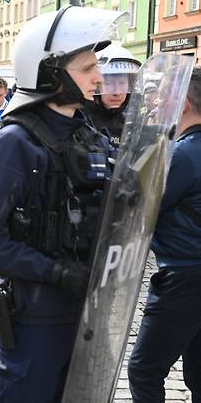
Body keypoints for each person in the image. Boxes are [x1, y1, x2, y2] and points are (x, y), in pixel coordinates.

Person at [0, 6, 121, 402]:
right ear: (50, 73)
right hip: (38, 316)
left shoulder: (90, 136)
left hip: (88, 311)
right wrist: (54, 272)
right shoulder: (16, 143)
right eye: (87, 68)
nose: (98, 77)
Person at [128, 67, 201, 403]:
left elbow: (138, 204)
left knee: (144, 371)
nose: (157, 101)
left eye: (164, 94)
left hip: (184, 277)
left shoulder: (183, 154)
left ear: (183, 103)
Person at [84, 44, 141, 146]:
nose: (117, 92)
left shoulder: (130, 125)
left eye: (122, 83)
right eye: (108, 83)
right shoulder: (83, 123)